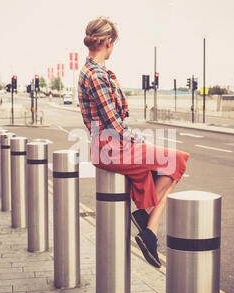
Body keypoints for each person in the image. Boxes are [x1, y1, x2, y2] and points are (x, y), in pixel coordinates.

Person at [78, 17, 190, 268]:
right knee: (176, 160)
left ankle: (148, 228)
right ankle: (146, 224)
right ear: (107, 42)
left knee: (171, 168)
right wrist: (137, 139)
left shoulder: (98, 71)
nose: (113, 47)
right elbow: (112, 122)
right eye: (113, 42)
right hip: (110, 148)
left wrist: (136, 140)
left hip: (113, 145)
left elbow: (114, 122)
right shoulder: (95, 74)